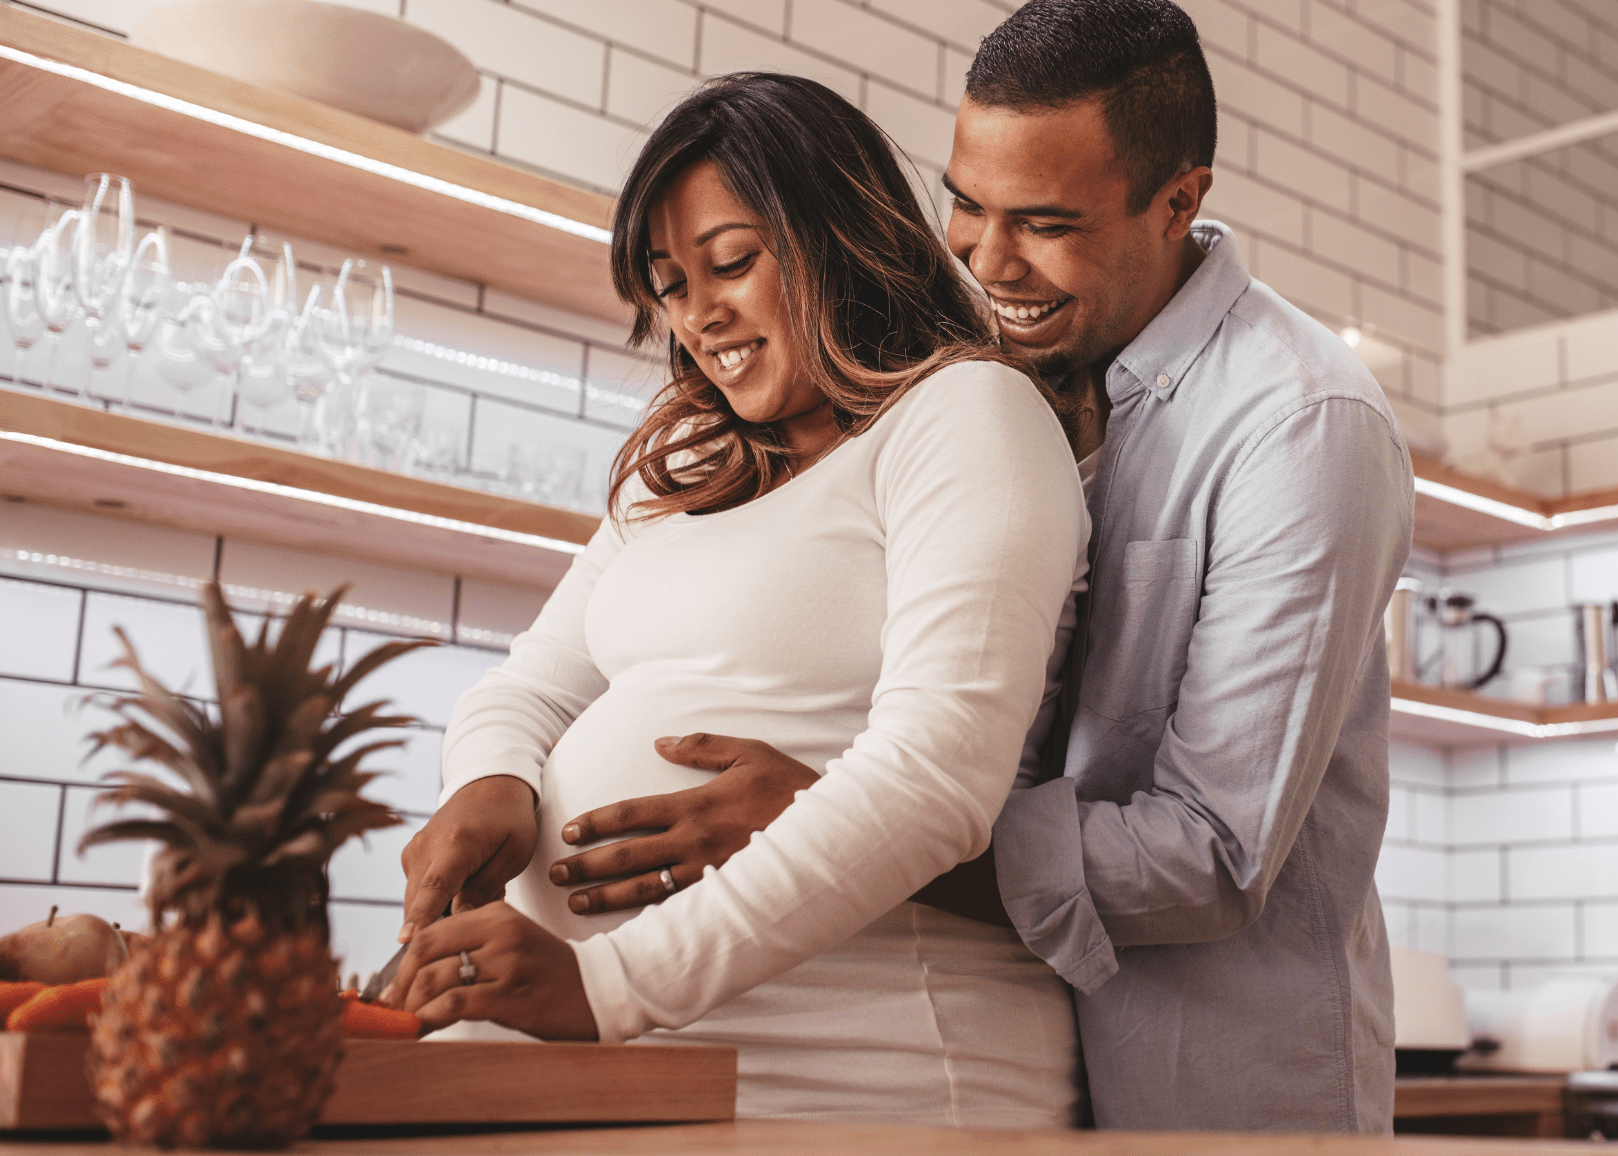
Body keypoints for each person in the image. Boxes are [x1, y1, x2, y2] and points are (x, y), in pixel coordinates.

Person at [455, 0, 1416, 1133]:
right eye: (966, 206)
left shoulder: (1297, 426)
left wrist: (816, 818)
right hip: (1002, 1031)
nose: (988, 262)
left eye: (1045, 224)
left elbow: (1206, 854)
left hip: (1203, 1075)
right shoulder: (1015, 373)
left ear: (1177, 202)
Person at [379, 71, 1091, 1128]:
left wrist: (606, 984)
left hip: (851, 1077)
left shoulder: (963, 417)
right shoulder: (685, 456)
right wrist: (491, 778)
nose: (698, 315)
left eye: (730, 264)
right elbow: (530, 684)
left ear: (839, 237)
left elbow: (936, 778)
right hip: (610, 1072)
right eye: (668, 284)